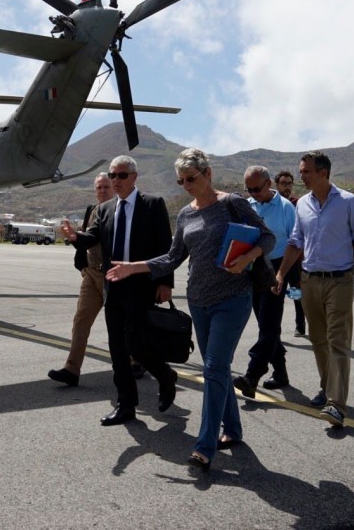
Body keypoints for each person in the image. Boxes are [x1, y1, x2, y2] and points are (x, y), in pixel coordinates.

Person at [105, 148, 274, 470]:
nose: (186, 185)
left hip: (232, 298)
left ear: (208, 174)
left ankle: (205, 445)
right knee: (218, 369)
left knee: (213, 368)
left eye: (191, 179)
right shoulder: (185, 214)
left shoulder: (232, 203)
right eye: (180, 181)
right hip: (198, 301)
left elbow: (267, 237)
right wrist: (134, 267)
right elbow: (172, 257)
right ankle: (233, 429)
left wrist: (247, 258)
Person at [62, 155, 176, 428]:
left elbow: (165, 249)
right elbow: (93, 238)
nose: (116, 181)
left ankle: (165, 374)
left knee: (137, 344)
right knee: (117, 349)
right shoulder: (105, 209)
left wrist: (165, 283)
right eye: (113, 176)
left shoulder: (152, 205)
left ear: (134, 177)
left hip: (141, 286)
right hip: (113, 285)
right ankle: (126, 405)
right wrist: (76, 238)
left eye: (121, 175)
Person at [273, 151, 354, 428]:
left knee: (338, 341)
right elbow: (296, 241)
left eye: (306, 171)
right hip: (309, 280)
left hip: (340, 280)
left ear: (323, 173)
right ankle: (327, 387)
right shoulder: (303, 204)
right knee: (318, 340)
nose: (301, 176)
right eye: (301, 171)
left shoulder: (348, 201)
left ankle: (336, 405)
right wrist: (282, 273)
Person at [233, 165, 296, 398]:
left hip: (278, 267)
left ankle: (252, 375)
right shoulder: (247, 207)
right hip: (253, 267)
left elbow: (295, 243)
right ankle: (281, 372)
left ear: (269, 184)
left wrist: (289, 277)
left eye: (257, 189)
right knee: (265, 324)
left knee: (269, 324)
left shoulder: (286, 209)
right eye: (248, 190)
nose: (253, 194)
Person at [48, 173, 114, 386]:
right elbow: (87, 237)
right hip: (92, 274)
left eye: (106, 187)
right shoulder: (92, 210)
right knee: (81, 321)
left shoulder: (120, 210)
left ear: (114, 188)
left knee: (121, 325)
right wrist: (82, 264)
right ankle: (72, 369)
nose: (102, 191)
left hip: (114, 276)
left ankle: (135, 361)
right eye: (99, 188)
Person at [275, 170, 306, 336]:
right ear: (276, 185)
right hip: (277, 258)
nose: (287, 187)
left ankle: (300, 324)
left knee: (296, 292)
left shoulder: (298, 203)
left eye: (289, 184)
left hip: (295, 258)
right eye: (283, 183)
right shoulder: (274, 205)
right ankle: (275, 330)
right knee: (277, 294)